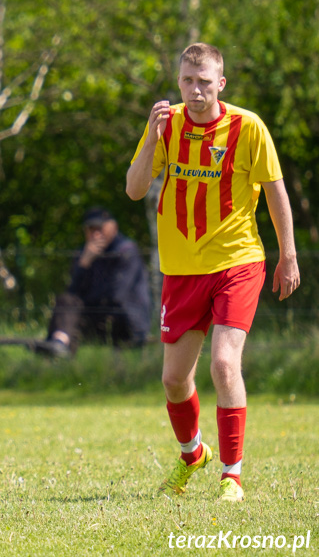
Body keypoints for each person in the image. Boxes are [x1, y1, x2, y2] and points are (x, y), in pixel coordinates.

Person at [126, 43, 300, 502]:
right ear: (179, 81)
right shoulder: (167, 126)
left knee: (224, 363)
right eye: (188, 80)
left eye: (205, 81)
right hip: (181, 270)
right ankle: (192, 454)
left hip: (237, 262)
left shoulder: (247, 127)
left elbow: (277, 192)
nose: (195, 90)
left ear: (221, 82)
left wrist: (289, 255)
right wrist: (150, 134)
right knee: (173, 379)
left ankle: (232, 476)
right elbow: (134, 189)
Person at [34, 207, 151, 357]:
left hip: (126, 321)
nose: (96, 234)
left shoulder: (126, 251)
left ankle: (57, 346)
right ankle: (59, 346)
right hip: (97, 316)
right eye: (91, 229)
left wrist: (82, 304)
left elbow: (115, 295)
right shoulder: (85, 252)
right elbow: (72, 292)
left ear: (113, 227)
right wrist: (84, 264)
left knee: (71, 313)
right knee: (66, 302)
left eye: (100, 228)